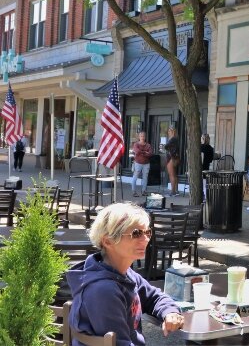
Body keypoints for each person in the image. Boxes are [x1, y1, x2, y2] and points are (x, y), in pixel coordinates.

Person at [66, 203, 184, 346]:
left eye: (147, 232)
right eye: (136, 233)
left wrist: (170, 312)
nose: (145, 239)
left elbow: (154, 296)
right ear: (108, 241)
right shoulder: (104, 290)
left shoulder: (125, 273)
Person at [130, 131, 153, 197]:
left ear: (145, 137)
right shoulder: (136, 144)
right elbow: (137, 151)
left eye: (143, 136)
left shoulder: (148, 145)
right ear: (139, 137)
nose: (142, 137)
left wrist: (142, 152)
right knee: (135, 177)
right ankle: (134, 191)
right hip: (138, 163)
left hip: (146, 163)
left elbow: (150, 153)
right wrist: (145, 152)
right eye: (141, 136)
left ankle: (144, 191)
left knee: (145, 178)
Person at [164, 126, 180, 196]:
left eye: (170, 131)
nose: (169, 132)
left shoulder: (173, 139)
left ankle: (173, 191)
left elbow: (166, 146)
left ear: (173, 132)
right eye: (168, 131)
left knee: (171, 175)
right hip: (175, 157)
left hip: (171, 158)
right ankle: (176, 190)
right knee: (174, 174)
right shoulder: (176, 139)